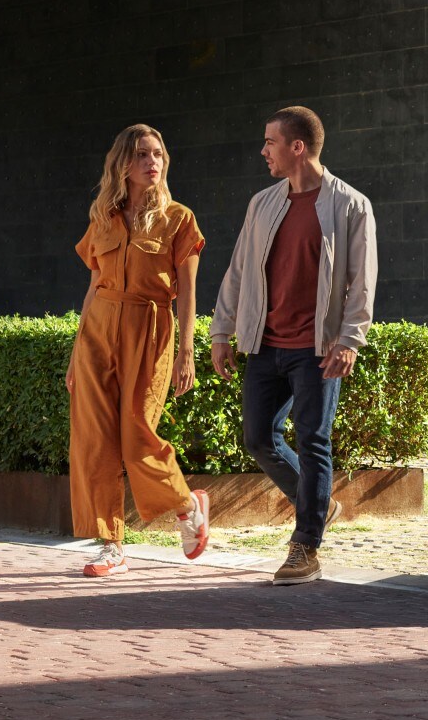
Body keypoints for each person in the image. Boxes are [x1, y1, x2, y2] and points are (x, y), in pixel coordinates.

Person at [211, 106, 377, 585]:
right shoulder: (262, 203)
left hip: (317, 347)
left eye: (270, 142)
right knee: (258, 438)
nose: (264, 151)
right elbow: (238, 271)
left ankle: (305, 547)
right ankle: (319, 504)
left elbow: (362, 283)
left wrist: (349, 340)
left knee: (313, 439)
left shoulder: (350, 205)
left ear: (297, 147)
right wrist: (222, 331)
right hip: (266, 343)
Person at [67, 124, 210, 577]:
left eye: (159, 154)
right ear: (123, 165)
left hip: (149, 330)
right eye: (144, 155)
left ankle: (186, 505)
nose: (154, 162)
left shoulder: (179, 219)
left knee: (137, 435)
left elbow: (187, 294)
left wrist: (187, 351)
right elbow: (94, 286)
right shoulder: (102, 217)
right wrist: (76, 352)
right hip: (97, 330)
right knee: (94, 440)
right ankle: (111, 543)